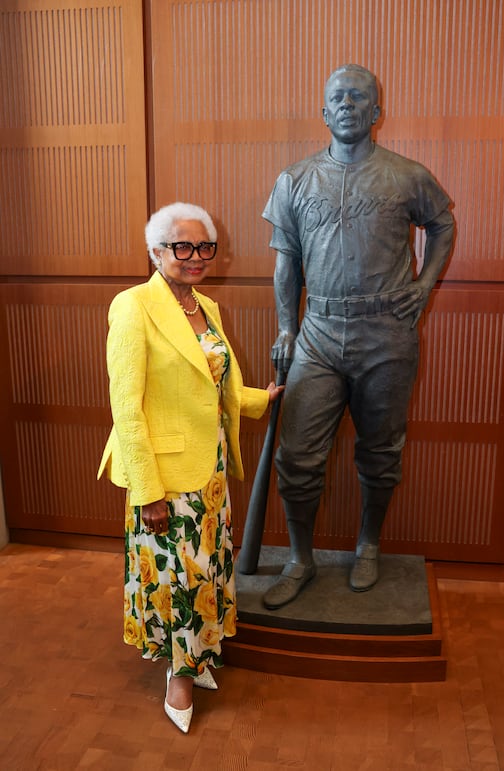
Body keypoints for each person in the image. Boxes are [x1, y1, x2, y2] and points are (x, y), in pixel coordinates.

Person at [261, 64, 455, 610]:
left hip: (387, 333)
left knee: (381, 452)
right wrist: (286, 328)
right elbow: (285, 264)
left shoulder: (407, 175)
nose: (347, 105)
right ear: (323, 113)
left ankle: (368, 544)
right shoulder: (294, 181)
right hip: (318, 334)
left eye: (359, 98)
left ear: (377, 112)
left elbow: (443, 224)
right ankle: (300, 558)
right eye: (337, 99)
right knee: (296, 457)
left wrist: (423, 287)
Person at [97, 202, 283, 733]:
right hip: (165, 474)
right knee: (176, 575)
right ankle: (178, 674)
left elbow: (215, 386)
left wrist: (260, 399)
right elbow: (126, 407)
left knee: (205, 567)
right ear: (156, 252)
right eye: (183, 246)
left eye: (205, 246)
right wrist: (147, 489)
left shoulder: (207, 307)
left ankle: (199, 654)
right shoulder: (133, 307)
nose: (196, 257)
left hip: (213, 468)